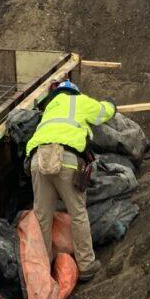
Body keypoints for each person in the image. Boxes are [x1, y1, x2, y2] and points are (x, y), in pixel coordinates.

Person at [25, 79, 117, 283]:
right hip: (66, 158)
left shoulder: (49, 108)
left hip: (38, 160)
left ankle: (43, 271)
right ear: (73, 92)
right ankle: (86, 265)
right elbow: (103, 112)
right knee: (77, 213)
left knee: (42, 216)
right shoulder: (78, 101)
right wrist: (111, 104)